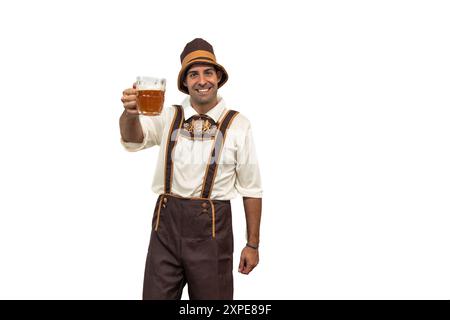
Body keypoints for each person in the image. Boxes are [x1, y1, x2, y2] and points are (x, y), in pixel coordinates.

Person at [119, 38, 262, 300]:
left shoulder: (239, 124)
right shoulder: (166, 114)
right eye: (193, 74)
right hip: (165, 230)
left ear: (218, 77)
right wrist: (129, 114)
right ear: (185, 82)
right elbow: (132, 139)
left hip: (212, 233)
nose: (202, 80)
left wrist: (252, 244)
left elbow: (252, 189)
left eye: (208, 72)